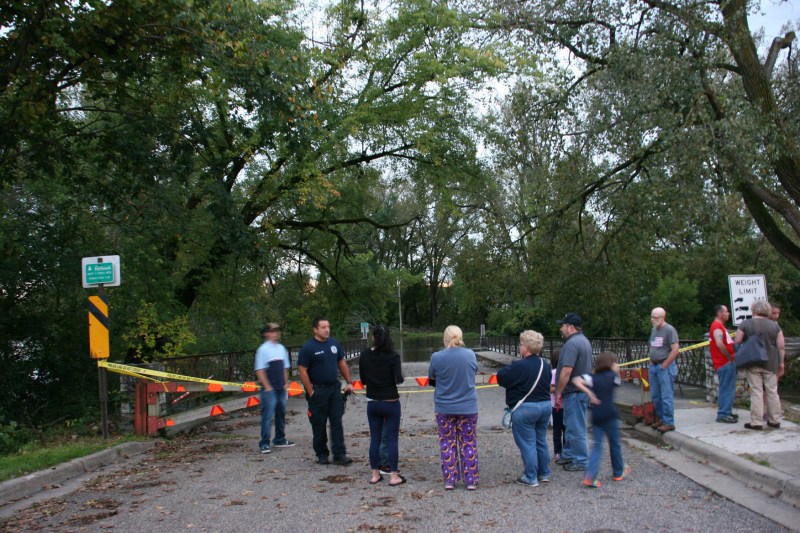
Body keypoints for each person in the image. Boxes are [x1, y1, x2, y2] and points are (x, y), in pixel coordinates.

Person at [497, 330, 552, 487]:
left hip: (526, 408)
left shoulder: (518, 366)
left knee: (527, 442)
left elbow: (502, 378)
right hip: (545, 406)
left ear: (526, 347)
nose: (519, 347)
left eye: (520, 344)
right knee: (540, 440)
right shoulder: (545, 365)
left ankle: (530, 476)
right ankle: (544, 472)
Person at [428, 325, 479, 490]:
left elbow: (432, 380)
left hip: (445, 407)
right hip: (468, 406)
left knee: (447, 442)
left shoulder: (436, 357)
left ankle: (450, 479)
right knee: (468, 442)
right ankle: (470, 479)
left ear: (445, 339)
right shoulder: (470, 355)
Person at [297, 317, 355, 465]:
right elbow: (302, 371)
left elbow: (341, 362)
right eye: (323, 327)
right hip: (318, 391)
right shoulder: (308, 348)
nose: (327, 329)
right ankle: (321, 454)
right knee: (319, 423)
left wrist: (349, 382)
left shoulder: (334, 344)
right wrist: (310, 391)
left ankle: (339, 454)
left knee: (336, 421)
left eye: (328, 326)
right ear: (315, 329)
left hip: (334, 389)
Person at [572, 352, 632, 488]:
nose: (617, 365)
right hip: (610, 414)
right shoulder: (614, 377)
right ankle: (618, 471)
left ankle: (590, 476)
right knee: (614, 443)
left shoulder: (592, 378)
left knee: (597, 446)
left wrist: (589, 393)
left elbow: (576, 380)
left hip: (596, 415)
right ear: (610, 364)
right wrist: (615, 371)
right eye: (615, 363)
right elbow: (616, 382)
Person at [359, 325, 405, 486]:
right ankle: (393, 476)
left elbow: (363, 380)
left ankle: (374, 475)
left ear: (374, 338)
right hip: (391, 401)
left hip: (372, 402)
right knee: (392, 440)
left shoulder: (365, 355)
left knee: (375, 439)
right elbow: (399, 379)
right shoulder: (393, 356)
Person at [734, 300, 785, 430]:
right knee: (772, 391)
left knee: (756, 392)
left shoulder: (745, 324)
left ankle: (756, 422)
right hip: (771, 362)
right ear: (767, 311)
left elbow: (737, 341)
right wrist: (781, 363)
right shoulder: (775, 326)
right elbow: (781, 346)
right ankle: (775, 420)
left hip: (752, 362)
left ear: (753, 310)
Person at [554, 312, 592, 472]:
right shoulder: (584, 341)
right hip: (580, 390)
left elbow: (566, 371)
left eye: (563, 325)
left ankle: (581, 460)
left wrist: (558, 391)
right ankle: (569, 454)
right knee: (570, 424)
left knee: (576, 426)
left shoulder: (571, 344)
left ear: (570, 328)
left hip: (574, 391)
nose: (561, 328)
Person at [254, 323, 295, 453]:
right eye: (271, 331)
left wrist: (285, 382)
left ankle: (279, 439)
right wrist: (267, 387)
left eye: (276, 331)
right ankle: (264, 442)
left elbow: (285, 367)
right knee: (267, 415)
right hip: (270, 389)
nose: (274, 334)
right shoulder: (263, 350)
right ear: (266, 334)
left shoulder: (281, 348)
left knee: (281, 413)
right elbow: (260, 370)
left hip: (280, 387)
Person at [648, 307, 679, 433]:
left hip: (664, 367)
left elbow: (675, 349)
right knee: (656, 395)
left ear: (662, 318)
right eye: (652, 317)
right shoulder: (654, 330)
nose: (652, 320)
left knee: (666, 395)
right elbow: (653, 346)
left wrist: (665, 364)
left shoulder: (669, 330)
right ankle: (661, 418)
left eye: (655, 317)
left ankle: (669, 422)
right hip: (654, 366)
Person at [709, 305, 738, 424]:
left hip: (725, 362)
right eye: (726, 312)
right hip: (724, 362)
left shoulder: (720, 326)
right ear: (720, 313)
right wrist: (730, 358)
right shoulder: (716, 326)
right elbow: (720, 344)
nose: (729, 313)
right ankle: (723, 414)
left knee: (729, 388)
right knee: (726, 388)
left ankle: (727, 411)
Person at [550, 348, 565, 462]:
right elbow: (551, 388)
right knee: (560, 429)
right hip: (558, 406)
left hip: (562, 406)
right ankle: (559, 452)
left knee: (562, 430)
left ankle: (561, 452)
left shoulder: (563, 372)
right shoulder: (555, 372)